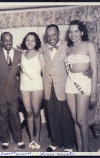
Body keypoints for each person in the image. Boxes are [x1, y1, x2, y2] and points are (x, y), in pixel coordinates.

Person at [40, 24, 75, 152]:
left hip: (64, 86)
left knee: (65, 116)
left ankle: (69, 144)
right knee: (51, 115)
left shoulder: (68, 46)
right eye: (48, 36)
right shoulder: (42, 48)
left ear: (59, 33)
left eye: (53, 35)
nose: (51, 38)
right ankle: (55, 141)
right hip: (48, 87)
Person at [65, 20, 97, 152]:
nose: (73, 34)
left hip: (84, 82)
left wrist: (93, 93)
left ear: (82, 32)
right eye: (70, 32)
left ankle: (85, 150)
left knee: (81, 120)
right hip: (70, 83)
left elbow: (95, 69)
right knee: (74, 119)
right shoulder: (68, 49)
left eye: (76, 31)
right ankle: (79, 150)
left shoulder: (89, 45)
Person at [0, 32, 25, 150]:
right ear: (1, 41)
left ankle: (19, 139)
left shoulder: (19, 54)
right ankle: (4, 140)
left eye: (10, 40)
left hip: (13, 92)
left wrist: (21, 90)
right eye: (5, 40)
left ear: (12, 40)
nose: (8, 43)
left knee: (15, 117)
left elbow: (22, 73)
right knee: (2, 117)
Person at [19, 32, 45, 149]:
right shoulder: (22, 53)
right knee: (28, 112)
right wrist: (20, 88)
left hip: (37, 86)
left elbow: (44, 73)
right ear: (25, 41)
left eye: (32, 40)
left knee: (35, 112)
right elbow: (21, 72)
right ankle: (31, 138)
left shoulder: (40, 54)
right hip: (24, 86)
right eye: (27, 40)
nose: (30, 42)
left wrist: (45, 90)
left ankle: (38, 137)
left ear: (36, 42)